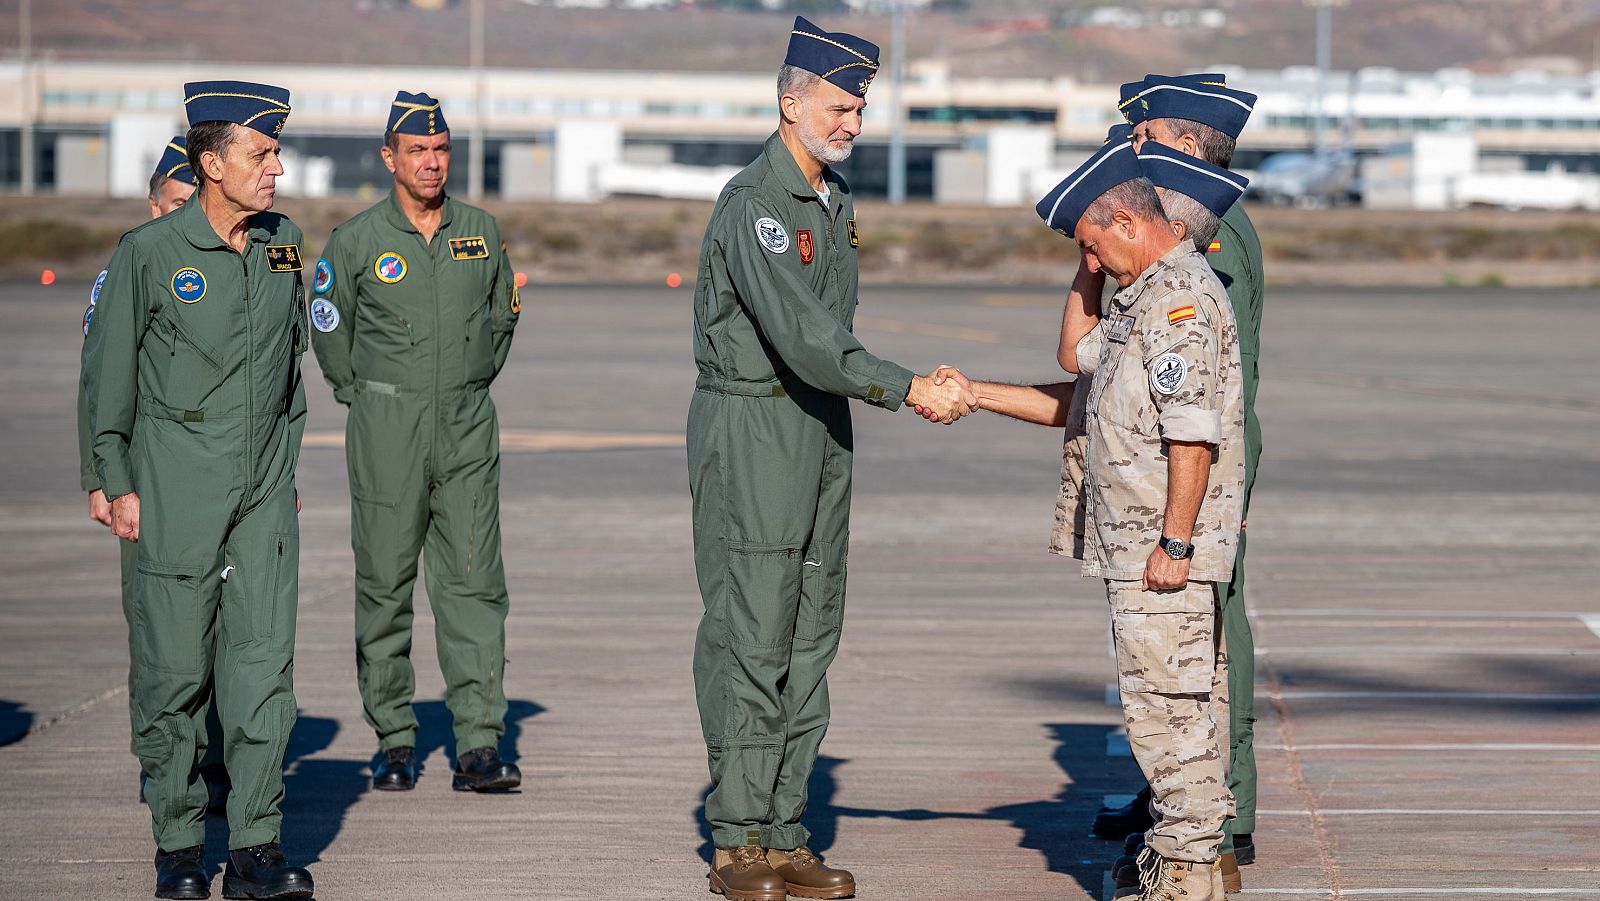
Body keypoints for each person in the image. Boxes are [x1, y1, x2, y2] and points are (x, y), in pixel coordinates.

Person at [687, 16, 975, 901]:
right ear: (790, 101)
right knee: (751, 632)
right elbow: (809, 339)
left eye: (861, 106)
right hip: (755, 428)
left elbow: (825, 343)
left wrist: (871, 390)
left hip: (820, 430)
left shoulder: (832, 200)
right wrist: (907, 386)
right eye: (841, 104)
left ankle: (785, 831)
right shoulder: (756, 204)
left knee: (811, 630)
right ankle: (737, 841)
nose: (853, 120)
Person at [88, 80, 314, 900]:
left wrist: (283, 469)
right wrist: (111, 477)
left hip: (262, 490)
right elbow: (107, 376)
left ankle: (255, 845)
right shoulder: (148, 254)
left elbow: (293, 371)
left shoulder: (287, 242)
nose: (277, 169)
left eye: (277, 152)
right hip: (175, 483)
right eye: (262, 154)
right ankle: (179, 845)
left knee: (262, 672)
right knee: (173, 671)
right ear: (211, 162)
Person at [1041, 134, 1246, 901]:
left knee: (1168, 713)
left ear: (1128, 222)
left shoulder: (1180, 303)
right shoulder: (1142, 296)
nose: (1090, 265)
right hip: (1135, 546)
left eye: (1094, 245)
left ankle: (1188, 874)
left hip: (1160, 552)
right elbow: (1076, 361)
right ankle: (1190, 863)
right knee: (1169, 706)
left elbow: (1191, 433)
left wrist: (1175, 540)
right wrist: (1085, 256)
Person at [309, 91, 522, 793]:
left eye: (440, 151)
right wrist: (366, 397)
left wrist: (465, 383)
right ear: (389, 158)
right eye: (417, 152)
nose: (431, 163)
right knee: (385, 583)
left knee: (473, 583)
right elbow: (329, 330)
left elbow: (499, 322)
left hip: (464, 427)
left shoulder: (481, 232)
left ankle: (479, 741)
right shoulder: (357, 241)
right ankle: (395, 738)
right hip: (387, 430)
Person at [1129, 74, 1265, 884]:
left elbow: (1209, 380)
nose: (1131, 152)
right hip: (1195, 451)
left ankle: (1223, 812)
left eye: (1144, 139)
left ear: (1182, 147)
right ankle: (1182, 801)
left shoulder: (1212, 238)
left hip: (1209, 455)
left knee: (1209, 630)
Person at [78, 136, 234, 815]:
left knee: (224, 625)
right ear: (153, 204)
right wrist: (99, 478)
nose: (185, 217)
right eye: (174, 205)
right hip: (140, 470)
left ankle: (216, 756)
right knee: (157, 625)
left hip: (205, 467)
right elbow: (98, 385)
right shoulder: (126, 271)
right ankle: (163, 759)